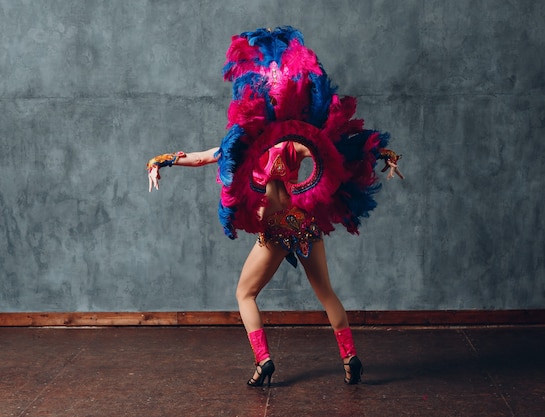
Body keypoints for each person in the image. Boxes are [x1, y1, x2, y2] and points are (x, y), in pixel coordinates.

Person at [146, 26, 402, 387]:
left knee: (244, 294)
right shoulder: (294, 146)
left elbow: (203, 158)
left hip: (276, 230)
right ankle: (350, 356)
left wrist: (162, 162)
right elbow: (336, 147)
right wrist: (382, 154)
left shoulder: (245, 149)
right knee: (327, 293)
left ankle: (263, 362)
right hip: (304, 222)